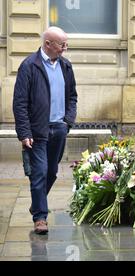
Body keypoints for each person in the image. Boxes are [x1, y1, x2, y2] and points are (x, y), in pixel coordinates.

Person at [13, 26, 77, 235]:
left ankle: (37, 202)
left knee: (52, 172)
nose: (65, 49)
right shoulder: (29, 66)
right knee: (39, 172)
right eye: (61, 45)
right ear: (48, 44)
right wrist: (24, 133)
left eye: (66, 44)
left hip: (59, 128)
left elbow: (72, 97)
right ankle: (40, 217)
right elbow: (20, 102)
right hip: (37, 131)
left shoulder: (66, 66)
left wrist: (68, 121)